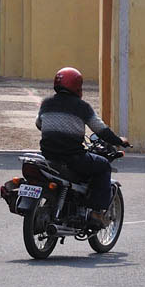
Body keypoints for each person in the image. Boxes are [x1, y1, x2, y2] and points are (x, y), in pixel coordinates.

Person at [35, 66, 129, 230]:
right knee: (103, 165)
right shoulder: (82, 107)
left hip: (48, 156)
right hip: (72, 158)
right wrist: (119, 140)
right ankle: (96, 213)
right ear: (77, 86)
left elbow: (39, 124)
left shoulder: (46, 103)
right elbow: (101, 130)